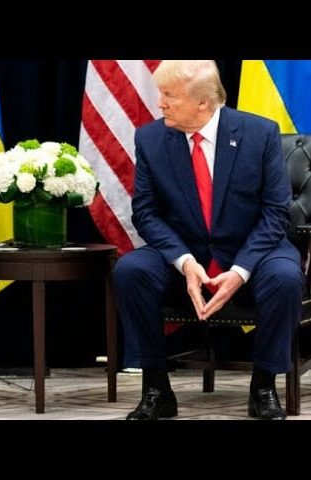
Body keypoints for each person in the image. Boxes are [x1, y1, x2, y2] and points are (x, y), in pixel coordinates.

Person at [113, 60, 304, 420]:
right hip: (184, 254)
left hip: (253, 251)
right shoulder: (151, 139)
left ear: (203, 102)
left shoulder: (260, 134)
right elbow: (146, 213)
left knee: (285, 277)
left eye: (169, 95)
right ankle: (156, 389)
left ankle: (263, 386)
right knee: (131, 270)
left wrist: (241, 270)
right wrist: (184, 262)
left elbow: (275, 213)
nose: (160, 103)